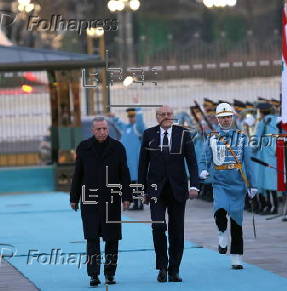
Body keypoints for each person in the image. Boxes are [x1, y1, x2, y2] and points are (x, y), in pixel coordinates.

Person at [138, 105, 200, 283]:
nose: (166, 117)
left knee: (176, 230)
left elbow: (192, 162)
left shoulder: (183, 134)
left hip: (178, 189)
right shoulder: (149, 134)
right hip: (155, 190)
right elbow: (143, 164)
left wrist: (194, 185)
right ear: (157, 117)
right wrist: (141, 189)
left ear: (173, 116)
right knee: (158, 227)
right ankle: (162, 267)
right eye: (162, 114)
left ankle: (174, 269)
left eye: (169, 114)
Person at [69, 117, 132, 287]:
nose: (102, 132)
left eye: (105, 129)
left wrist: (127, 197)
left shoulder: (118, 148)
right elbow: (78, 174)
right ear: (92, 130)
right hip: (89, 200)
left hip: (111, 200)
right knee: (92, 238)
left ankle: (110, 273)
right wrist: (74, 198)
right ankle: (94, 275)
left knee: (112, 239)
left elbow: (124, 174)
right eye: (99, 129)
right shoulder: (83, 147)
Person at [199, 102, 255, 269]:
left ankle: (236, 257)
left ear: (232, 118)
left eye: (228, 117)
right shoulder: (211, 138)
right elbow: (204, 158)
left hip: (237, 184)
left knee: (237, 222)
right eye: (222, 118)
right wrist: (202, 170)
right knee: (220, 210)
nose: (226, 120)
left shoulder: (243, 137)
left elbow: (248, 163)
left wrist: (252, 185)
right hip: (220, 182)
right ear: (217, 119)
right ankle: (222, 232)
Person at [109, 108, 145, 210]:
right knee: (130, 183)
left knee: (137, 183)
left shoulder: (138, 129)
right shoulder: (126, 127)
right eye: (129, 116)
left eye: (133, 116)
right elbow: (118, 123)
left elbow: (140, 123)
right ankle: (133, 202)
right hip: (127, 162)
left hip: (136, 161)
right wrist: (113, 117)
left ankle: (139, 203)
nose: (131, 118)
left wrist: (138, 108)